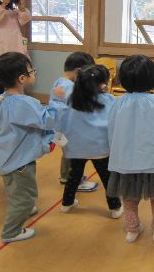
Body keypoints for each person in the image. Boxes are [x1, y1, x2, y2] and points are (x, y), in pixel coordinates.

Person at [107, 55, 154, 243]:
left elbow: (111, 129)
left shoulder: (117, 102)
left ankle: (132, 230)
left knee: (129, 197)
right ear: (152, 77)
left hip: (127, 160)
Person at [0, 52, 61, 243]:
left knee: (16, 190)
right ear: (22, 78)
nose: (34, 74)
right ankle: (11, 232)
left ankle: (24, 207)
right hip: (18, 162)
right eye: (32, 71)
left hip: (5, 157)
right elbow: (47, 120)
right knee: (25, 197)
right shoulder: (24, 103)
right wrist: (58, 100)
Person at [51, 64, 123, 218]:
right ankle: (115, 207)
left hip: (76, 147)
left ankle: (67, 203)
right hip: (100, 148)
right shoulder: (108, 99)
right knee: (107, 178)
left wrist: (58, 96)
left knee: (74, 176)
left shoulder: (72, 98)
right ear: (103, 85)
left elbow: (60, 110)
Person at [50, 51, 98, 192]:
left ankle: (66, 176)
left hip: (59, 128)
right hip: (69, 128)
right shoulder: (70, 87)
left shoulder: (59, 81)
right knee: (74, 155)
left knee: (68, 153)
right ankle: (73, 180)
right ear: (78, 71)